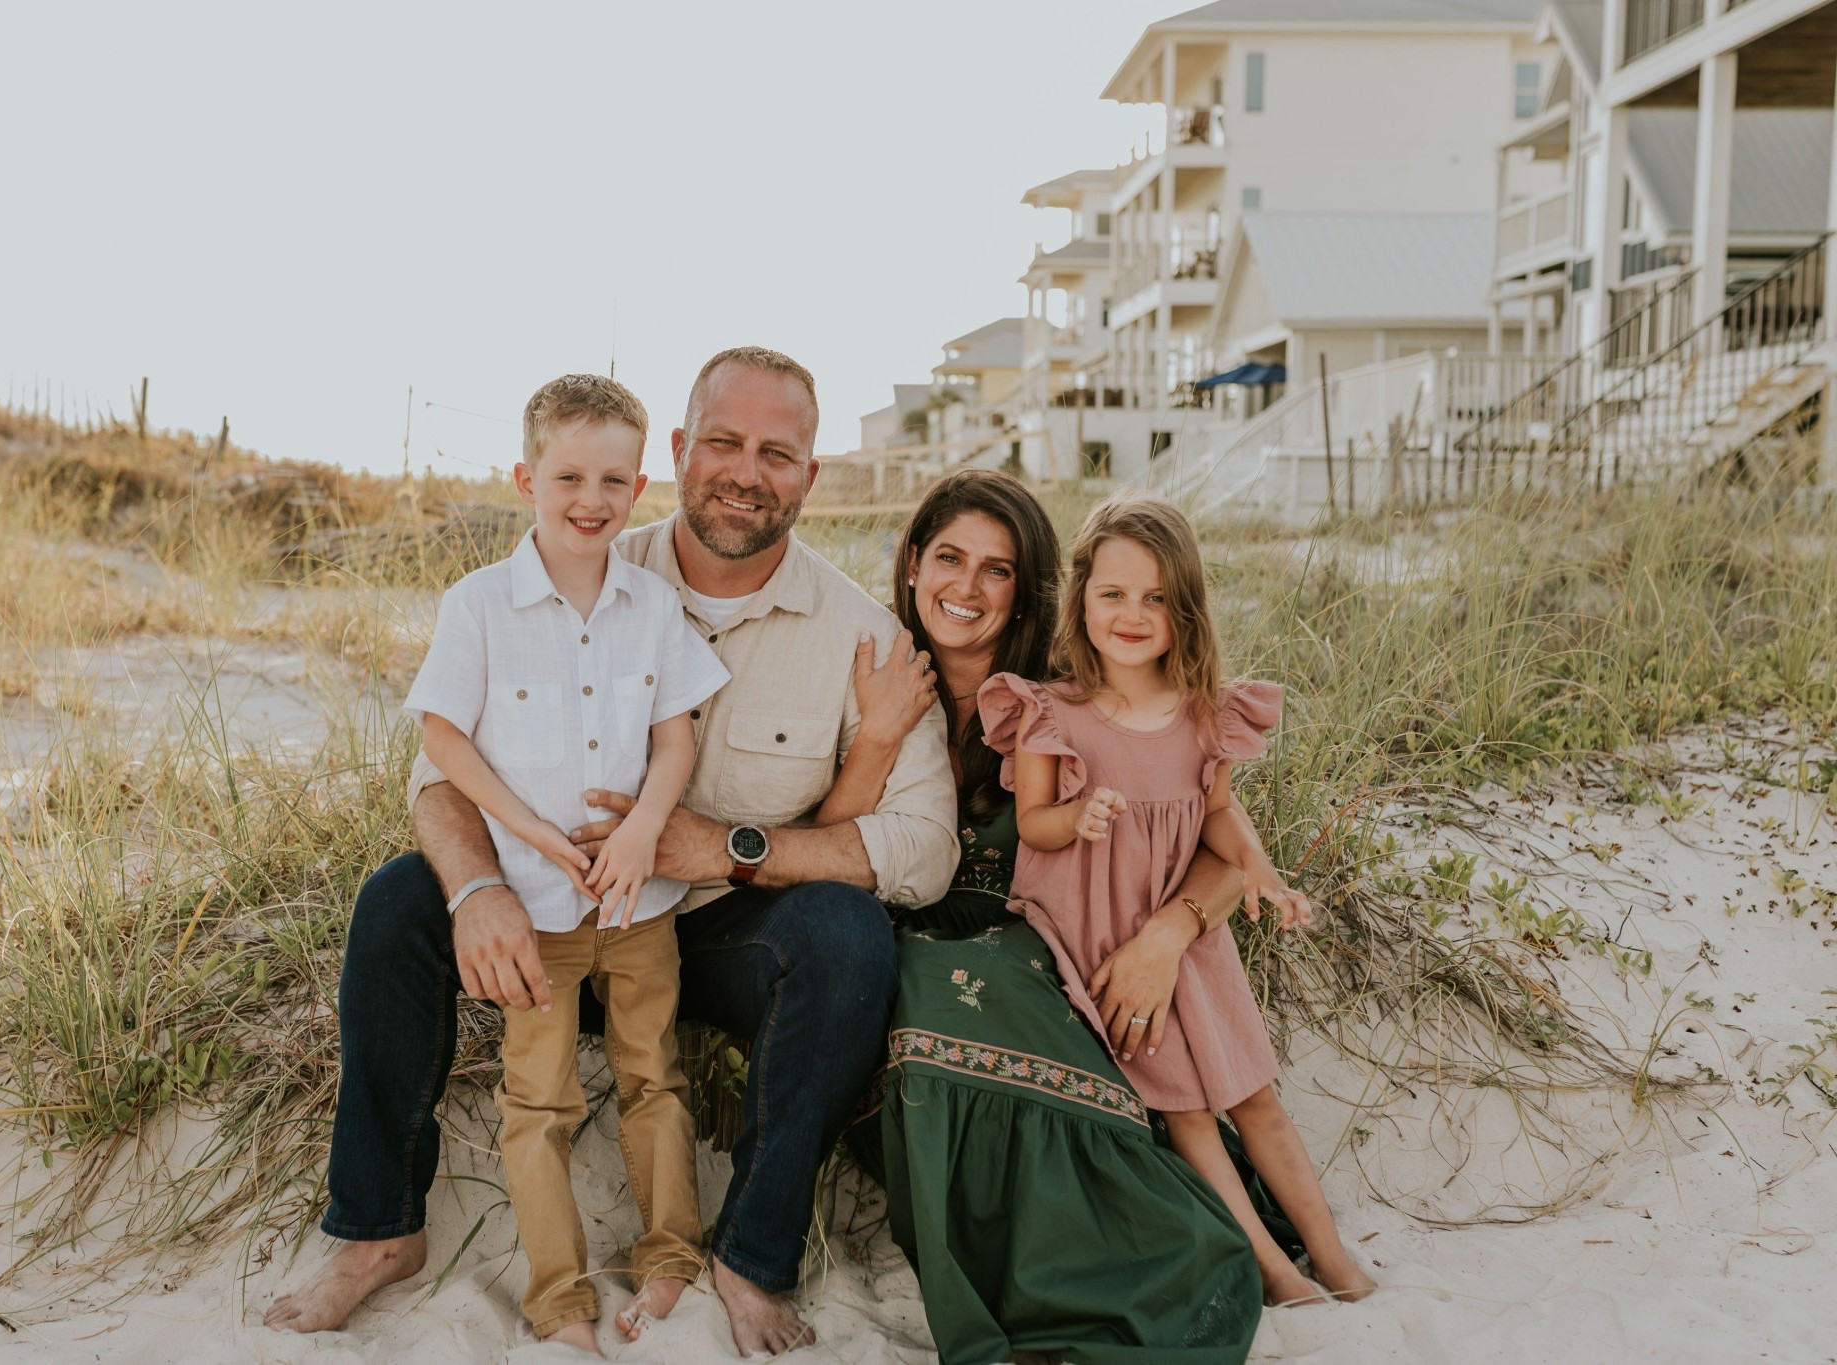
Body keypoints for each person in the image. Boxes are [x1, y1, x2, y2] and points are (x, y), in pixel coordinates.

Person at [267, 346, 960, 1355]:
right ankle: (380, 1230)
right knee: (398, 902)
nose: (744, 470)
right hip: (547, 913)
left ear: (810, 475)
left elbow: (923, 849)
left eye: (777, 452)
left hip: (696, 937)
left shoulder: (857, 637)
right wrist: (476, 891)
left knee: (847, 935)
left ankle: (749, 1255)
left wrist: (720, 846)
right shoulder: (579, 561)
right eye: (721, 441)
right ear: (678, 451)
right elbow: (437, 782)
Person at [827, 471, 1277, 1364]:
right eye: (949, 558)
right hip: (902, 927)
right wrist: (877, 734)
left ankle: (1163, 1254)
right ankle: (1019, 1276)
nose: (967, 586)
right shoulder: (860, 672)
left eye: (998, 569)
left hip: (1046, 930)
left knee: (1007, 995)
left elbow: (1217, 847)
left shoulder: (1064, 697)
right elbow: (826, 848)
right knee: (922, 1002)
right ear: (912, 564)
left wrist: (1167, 933)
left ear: (1029, 586)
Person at [977, 490, 1377, 1308]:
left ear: (1184, 609)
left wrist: (1260, 870)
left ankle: (1331, 1254)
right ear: (1081, 595)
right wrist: (1076, 816)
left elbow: (1222, 816)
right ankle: (1273, 1268)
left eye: (1156, 598)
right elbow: (1035, 826)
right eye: (1113, 593)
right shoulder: (1051, 713)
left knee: (1253, 1094)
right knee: (1191, 1113)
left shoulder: (1205, 715)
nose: (1132, 613)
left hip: (1190, 941)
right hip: (1096, 935)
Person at [398, 373, 730, 1351]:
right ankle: (557, 1301)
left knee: (651, 1077)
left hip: (639, 902)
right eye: (570, 476)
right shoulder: (481, 605)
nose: (592, 500)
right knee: (536, 1102)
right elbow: (444, 739)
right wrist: (529, 837)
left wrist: (640, 832)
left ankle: (670, 1257)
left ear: (640, 488)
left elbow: (677, 740)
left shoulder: (651, 604)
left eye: (614, 480)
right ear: (525, 478)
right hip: (536, 908)